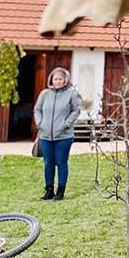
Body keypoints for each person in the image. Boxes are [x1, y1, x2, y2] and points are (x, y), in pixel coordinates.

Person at [34, 66, 82, 201]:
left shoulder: (71, 94)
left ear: (65, 80)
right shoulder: (44, 94)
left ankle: (60, 191)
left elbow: (76, 110)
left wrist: (66, 124)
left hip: (64, 136)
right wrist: (40, 123)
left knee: (61, 162)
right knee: (48, 163)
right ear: (51, 80)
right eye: (56, 79)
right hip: (45, 136)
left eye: (61, 79)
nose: (58, 81)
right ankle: (49, 189)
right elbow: (37, 110)